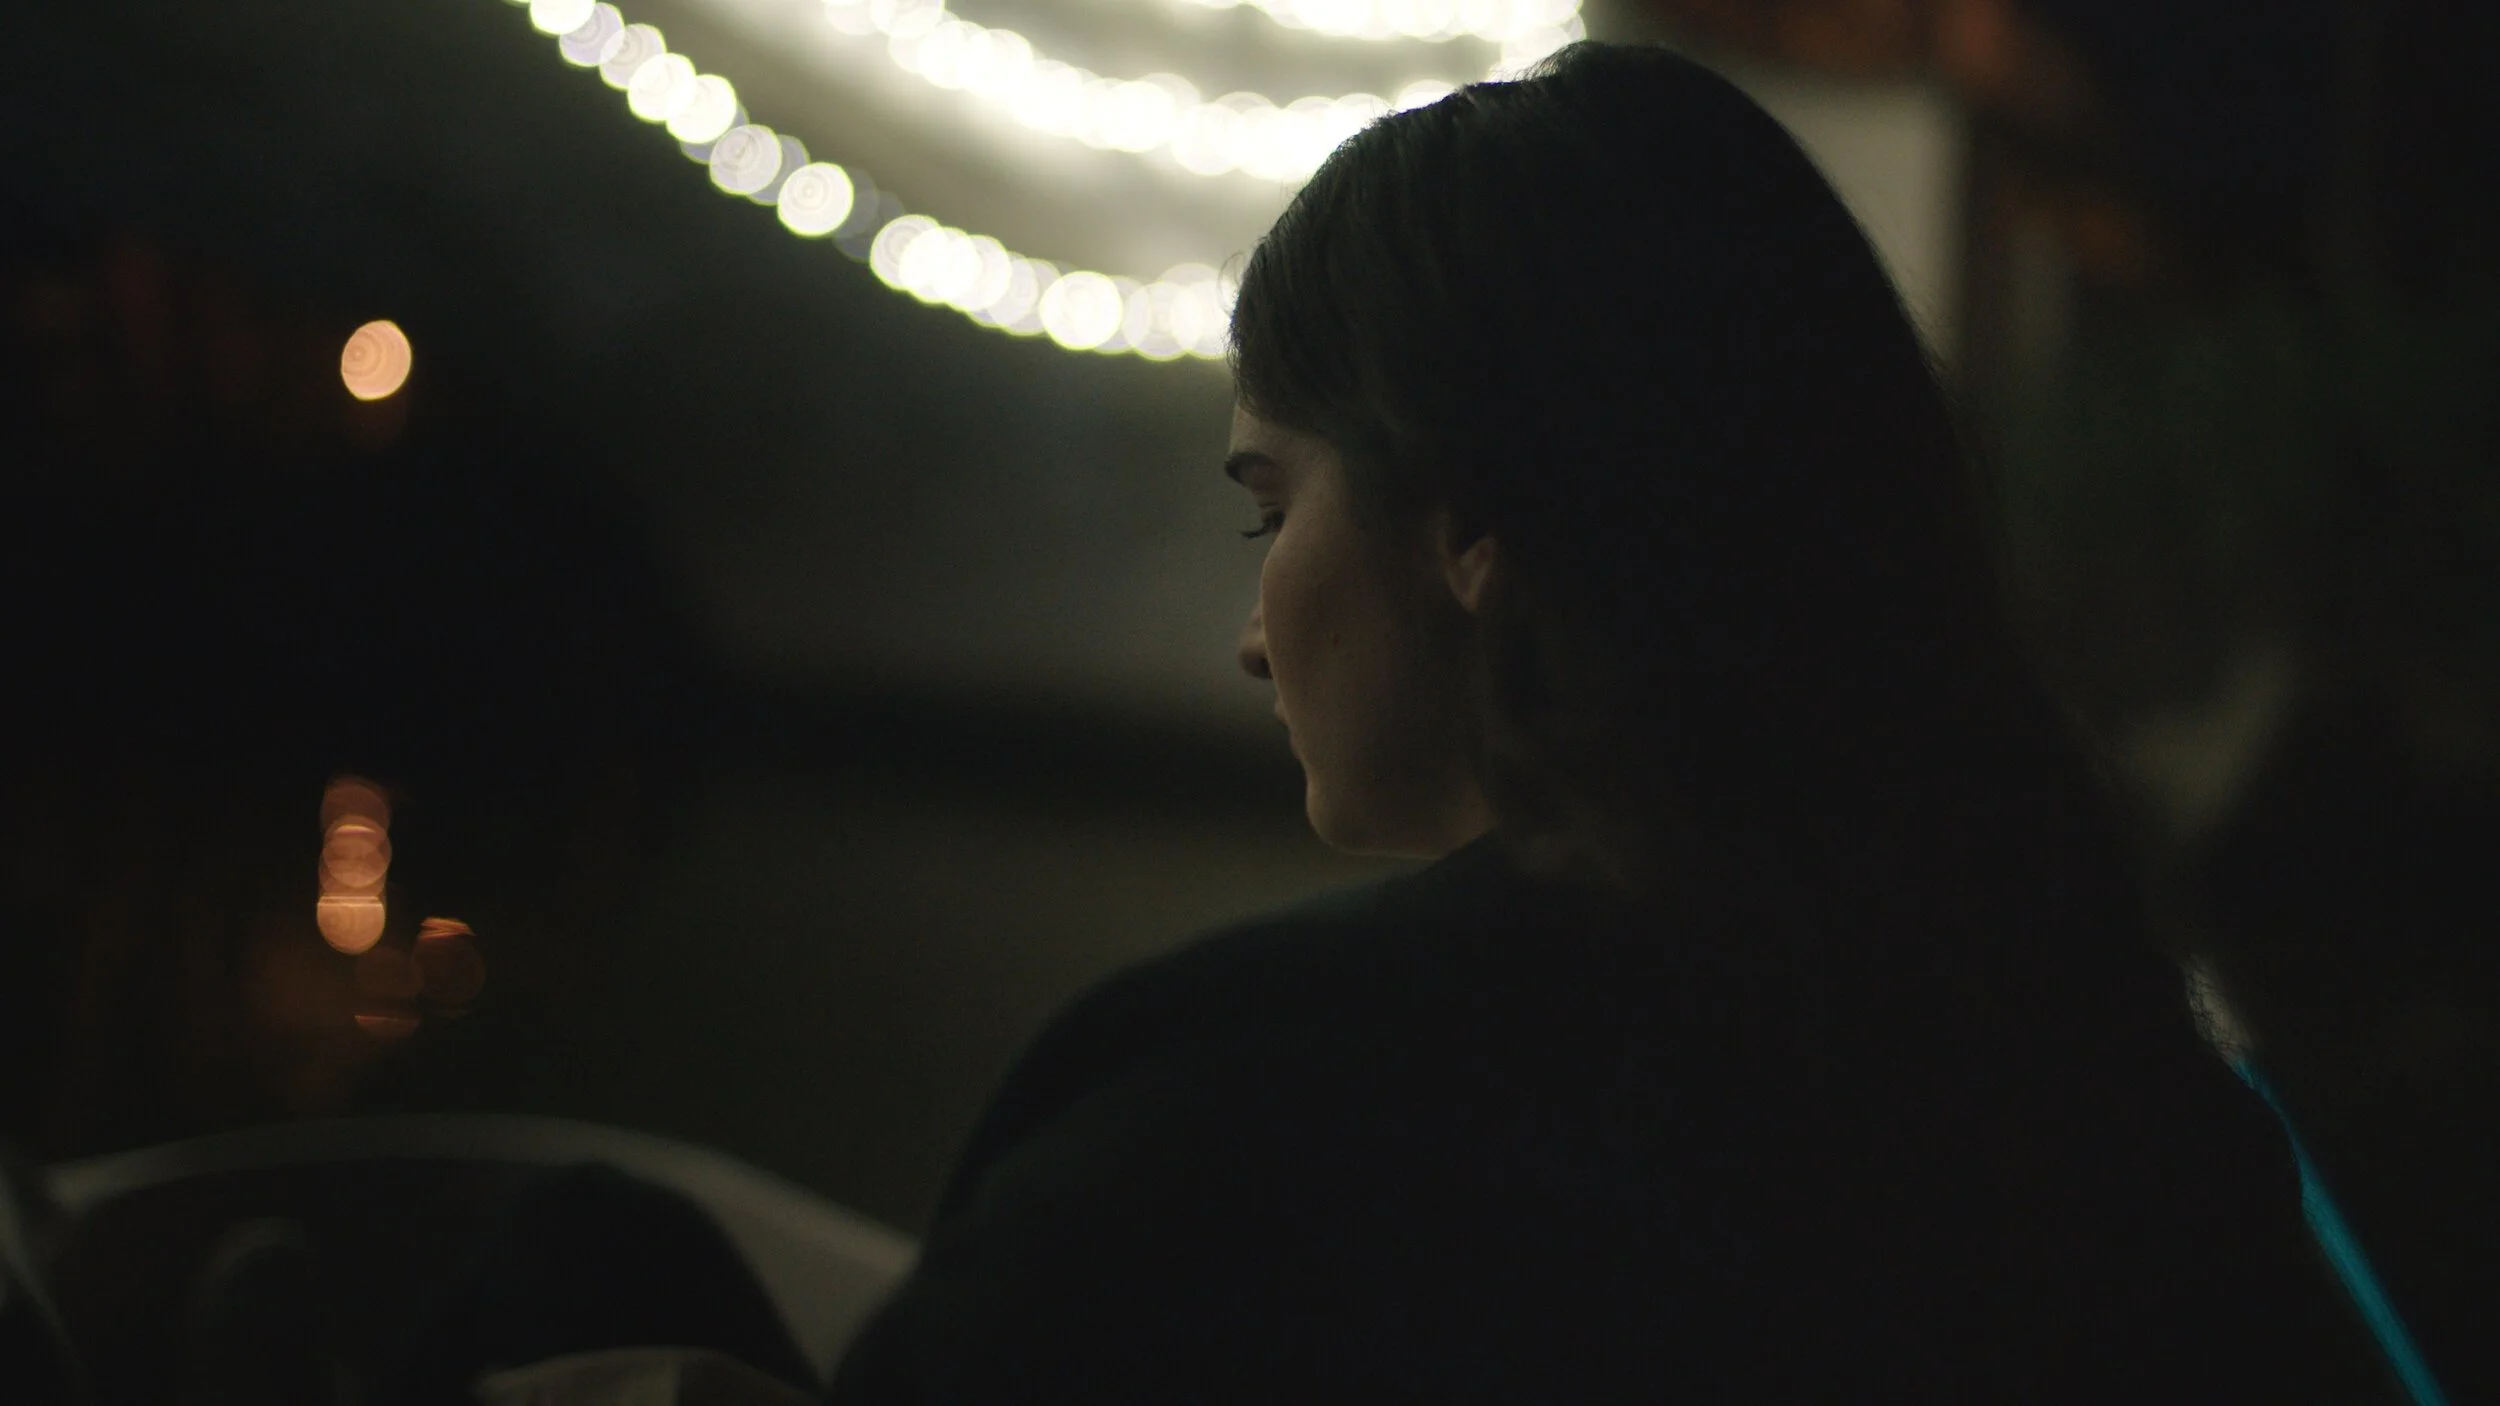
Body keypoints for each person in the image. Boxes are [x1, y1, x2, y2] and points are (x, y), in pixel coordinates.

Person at [419, 39, 2400, 1403]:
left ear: (1467, 532)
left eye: (1270, 503)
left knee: (576, 1259)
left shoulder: (1227, 1107)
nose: (1252, 638)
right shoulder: (2128, 1093)